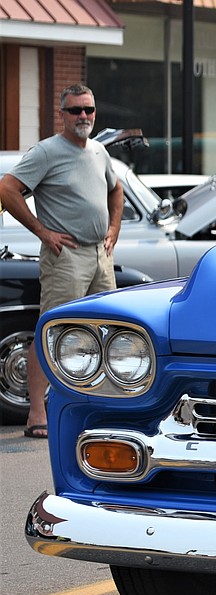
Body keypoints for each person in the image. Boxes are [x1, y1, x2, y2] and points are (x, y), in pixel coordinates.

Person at [0, 85, 123, 440]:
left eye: (89, 109)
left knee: (107, 331)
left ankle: (100, 408)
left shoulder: (99, 151)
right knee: (51, 330)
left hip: (100, 254)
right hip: (64, 256)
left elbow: (116, 190)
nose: (83, 116)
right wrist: (42, 231)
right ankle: (37, 412)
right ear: (62, 115)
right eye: (75, 111)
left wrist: (113, 229)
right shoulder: (47, 152)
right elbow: (7, 188)